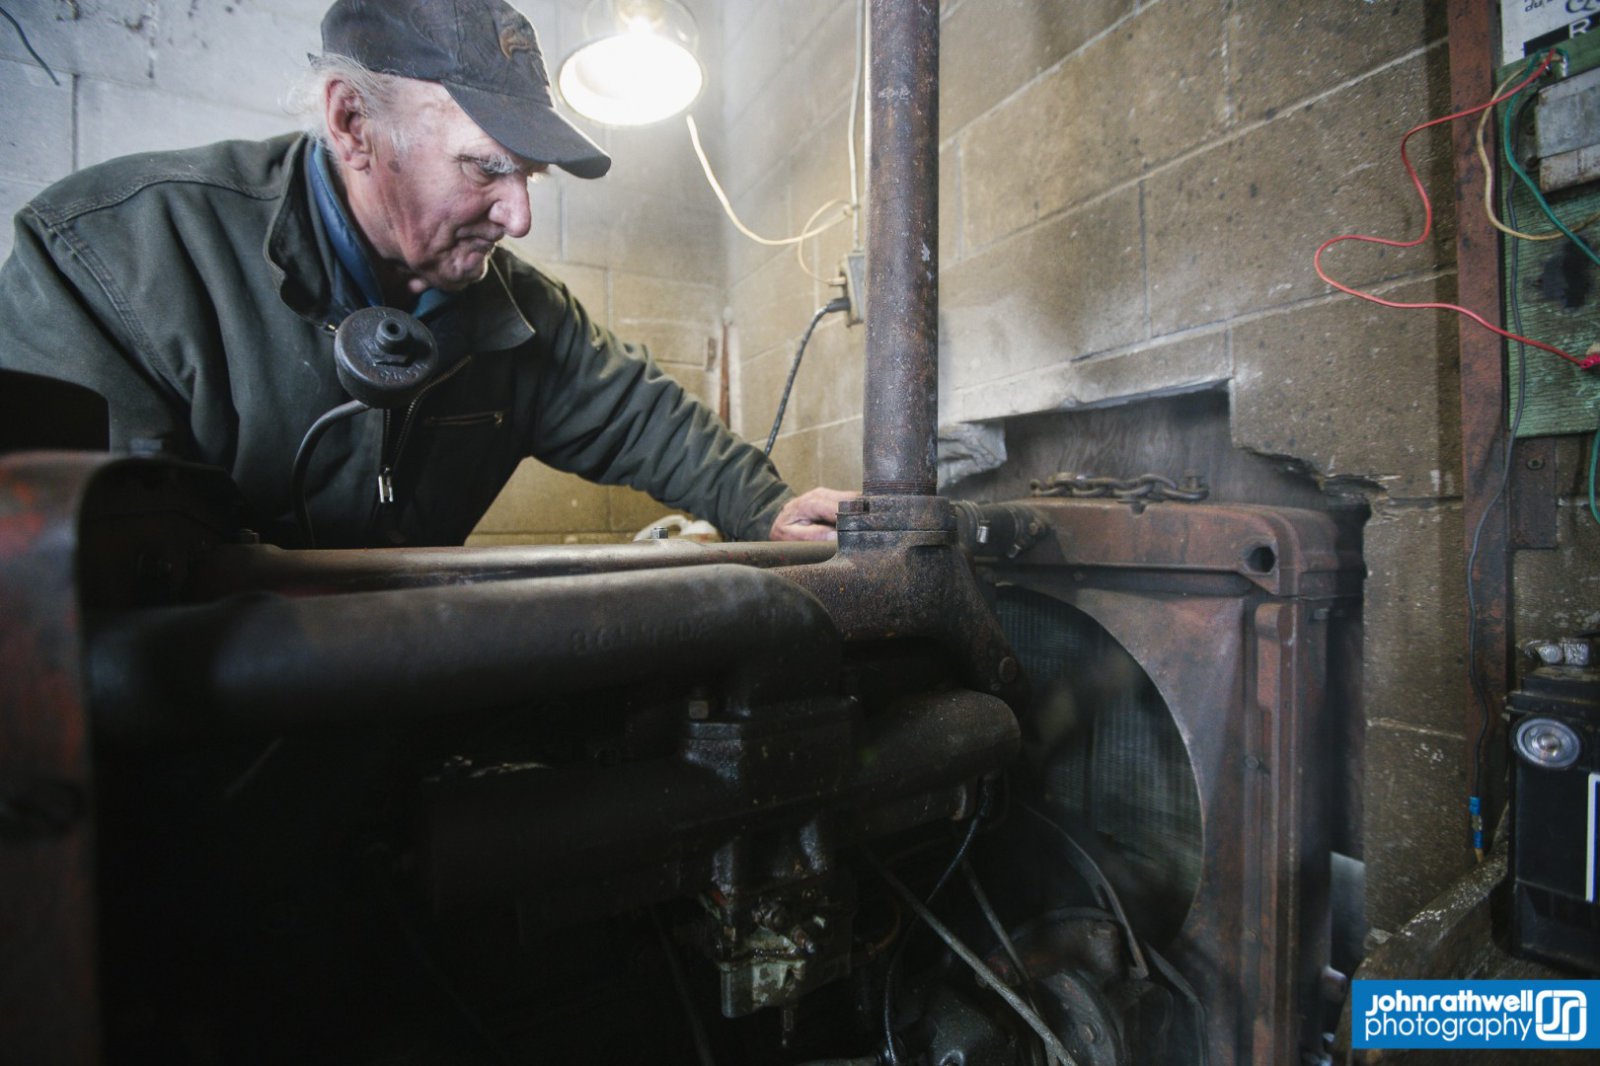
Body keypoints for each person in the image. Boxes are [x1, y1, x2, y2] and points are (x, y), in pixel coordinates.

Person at [0, 0, 849, 548]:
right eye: (485, 168)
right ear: (353, 124)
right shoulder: (110, 258)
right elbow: (65, 576)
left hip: (391, 755)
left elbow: (641, 417)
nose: (518, 216)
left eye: (531, 178)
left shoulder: (522, 317)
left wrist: (763, 507)